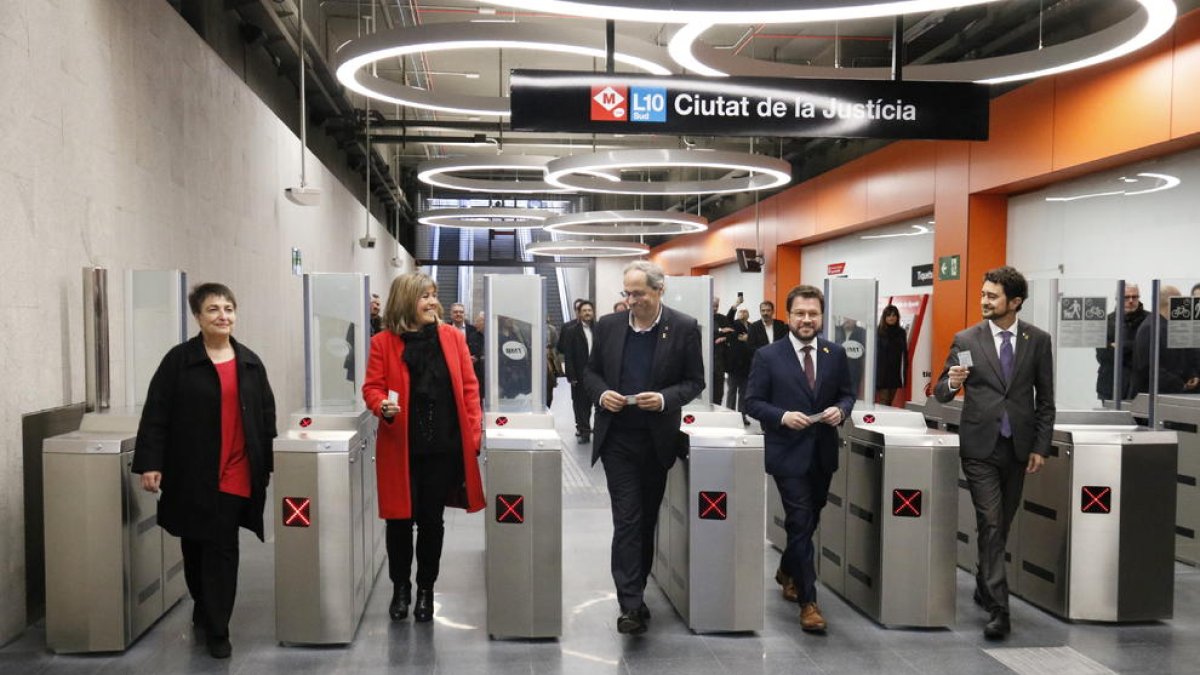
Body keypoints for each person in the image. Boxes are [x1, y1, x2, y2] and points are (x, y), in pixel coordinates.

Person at [132, 283, 277, 659]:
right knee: (195, 544)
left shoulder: (250, 363)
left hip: (236, 470)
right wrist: (151, 462)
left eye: (229, 308)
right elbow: (157, 412)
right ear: (197, 317)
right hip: (191, 471)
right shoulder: (179, 361)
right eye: (213, 309)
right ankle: (203, 601)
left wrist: (267, 464)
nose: (223, 316)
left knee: (222, 546)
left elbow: (266, 416)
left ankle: (218, 628)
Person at [582, 260, 704, 635]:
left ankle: (636, 591)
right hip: (617, 439)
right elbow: (590, 373)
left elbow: (694, 381)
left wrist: (665, 399)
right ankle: (630, 604)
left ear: (659, 290)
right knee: (628, 519)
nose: (631, 301)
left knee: (646, 519)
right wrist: (602, 394)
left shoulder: (683, 328)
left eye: (639, 294)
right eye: (627, 293)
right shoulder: (609, 326)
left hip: (656, 441)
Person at [934, 266, 1054, 640]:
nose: (984, 300)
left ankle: (984, 581)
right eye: (983, 294)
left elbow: (1046, 400)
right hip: (979, 447)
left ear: (1014, 302)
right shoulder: (968, 340)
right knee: (990, 520)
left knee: (1001, 524)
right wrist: (952, 383)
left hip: (1017, 448)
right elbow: (941, 391)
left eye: (992, 296)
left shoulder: (1037, 340)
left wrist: (1040, 446)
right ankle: (1000, 609)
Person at [363, 272, 485, 624]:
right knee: (399, 522)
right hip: (400, 448)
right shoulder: (383, 342)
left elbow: (469, 389)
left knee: (432, 522)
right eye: (424, 296)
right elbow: (372, 387)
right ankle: (400, 588)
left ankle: (426, 590)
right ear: (406, 301)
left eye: (434, 295)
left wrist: (473, 435)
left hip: (442, 448)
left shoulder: (452, 338)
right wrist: (381, 405)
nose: (433, 302)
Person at [745, 285, 855, 633]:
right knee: (800, 519)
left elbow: (847, 395)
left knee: (808, 521)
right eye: (800, 313)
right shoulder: (768, 356)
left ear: (821, 316)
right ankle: (809, 602)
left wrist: (841, 410)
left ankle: (786, 570)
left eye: (813, 314)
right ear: (788, 316)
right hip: (787, 452)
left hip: (822, 453)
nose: (807, 319)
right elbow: (752, 402)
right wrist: (782, 417)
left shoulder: (835, 353)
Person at [1132, 285, 1200, 394]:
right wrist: (1181, 384)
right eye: (1179, 299)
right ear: (1170, 301)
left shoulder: (1173, 326)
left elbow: (1187, 355)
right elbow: (1148, 368)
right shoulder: (1150, 328)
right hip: (1158, 394)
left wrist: (1192, 375)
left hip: (1176, 393)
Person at [1095, 284, 1148, 400]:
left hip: (1141, 387)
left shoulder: (1150, 320)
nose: (1131, 301)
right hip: (1110, 386)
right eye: (1126, 297)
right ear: (1117, 299)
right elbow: (1102, 355)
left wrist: (1121, 346)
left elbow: (1148, 353)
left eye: (1134, 297)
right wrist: (1134, 347)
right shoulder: (1106, 322)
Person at [559, 300, 596, 442]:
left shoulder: (600, 329)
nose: (587, 313)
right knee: (581, 403)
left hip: (597, 373)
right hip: (580, 374)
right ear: (579, 313)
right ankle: (584, 431)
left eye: (589, 310)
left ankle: (595, 430)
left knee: (597, 403)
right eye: (584, 311)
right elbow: (568, 356)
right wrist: (571, 376)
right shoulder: (571, 331)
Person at [875, 305, 908, 406]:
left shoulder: (901, 332)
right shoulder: (878, 332)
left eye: (894, 315)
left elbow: (904, 353)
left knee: (890, 402)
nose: (891, 318)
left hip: (895, 374)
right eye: (889, 315)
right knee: (884, 402)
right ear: (884, 317)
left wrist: (904, 374)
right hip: (881, 374)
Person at [725, 307, 753, 425]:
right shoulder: (734, 324)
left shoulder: (751, 326)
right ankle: (730, 415)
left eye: (745, 311)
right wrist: (735, 307)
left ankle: (742, 416)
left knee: (744, 393)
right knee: (732, 391)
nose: (743, 313)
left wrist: (748, 338)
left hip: (747, 365)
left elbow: (755, 341)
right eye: (741, 311)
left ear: (748, 314)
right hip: (734, 365)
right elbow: (728, 319)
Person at [835, 316, 868, 396]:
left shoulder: (862, 333)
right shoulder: (835, 330)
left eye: (850, 318)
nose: (847, 320)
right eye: (846, 318)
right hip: (836, 372)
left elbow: (865, 355)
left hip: (854, 373)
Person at [711, 296, 734, 406]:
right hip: (704, 359)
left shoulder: (722, 318)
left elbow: (732, 333)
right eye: (713, 306)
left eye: (717, 306)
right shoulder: (701, 318)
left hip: (719, 360)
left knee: (718, 391)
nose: (715, 308)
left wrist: (724, 338)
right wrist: (720, 331)